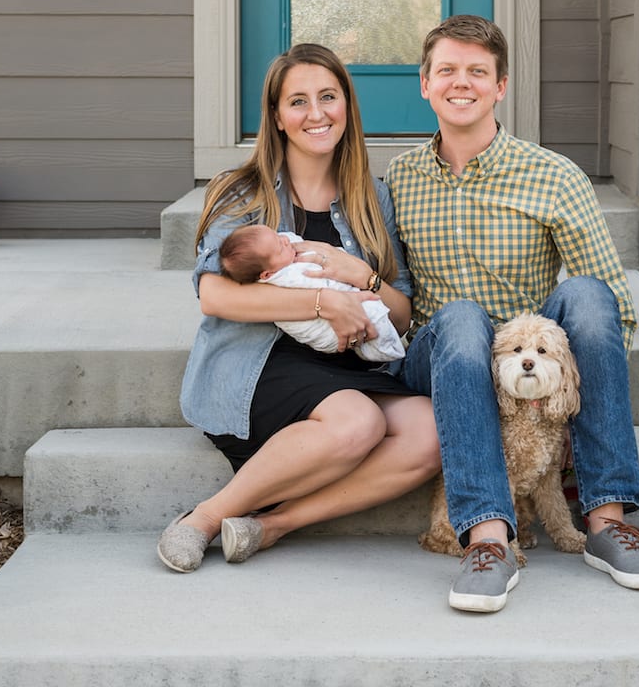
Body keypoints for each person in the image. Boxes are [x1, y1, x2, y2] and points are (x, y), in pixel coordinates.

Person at [385, 14, 639, 613]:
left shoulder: (554, 175)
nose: (460, 83)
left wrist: (560, 396)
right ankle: (488, 537)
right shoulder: (400, 179)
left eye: (477, 72)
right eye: (447, 70)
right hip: (442, 354)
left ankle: (606, 520)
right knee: (462, 317)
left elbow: (616, 311)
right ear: (425, 83)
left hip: (527, 355)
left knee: (592, 298)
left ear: (501, 86)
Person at [157, 43, 440, 573]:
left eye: (328, 97)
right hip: (260, 365)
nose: (316, 114)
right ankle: (206, 518)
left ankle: (271, 525)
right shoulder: (242, 192)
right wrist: (321, 300)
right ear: (278, 118)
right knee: (359, 422)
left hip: (351, 365)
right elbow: (215, 294)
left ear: (347, 107)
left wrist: (364, 277)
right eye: (298, 102)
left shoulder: (373, 198)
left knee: (429, 432)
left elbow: (402, 314)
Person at [217, 223, 405, 361]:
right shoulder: (288, 276)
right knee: (371, 315)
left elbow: (404, 316)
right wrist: (334, 297)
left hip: (336, 356)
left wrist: (364, 276)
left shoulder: (278, 251)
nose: (285, 240)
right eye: (280, 247)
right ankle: (387, 351)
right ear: (267, 274)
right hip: (323, 337)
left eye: (278, 236)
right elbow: (323, 284)